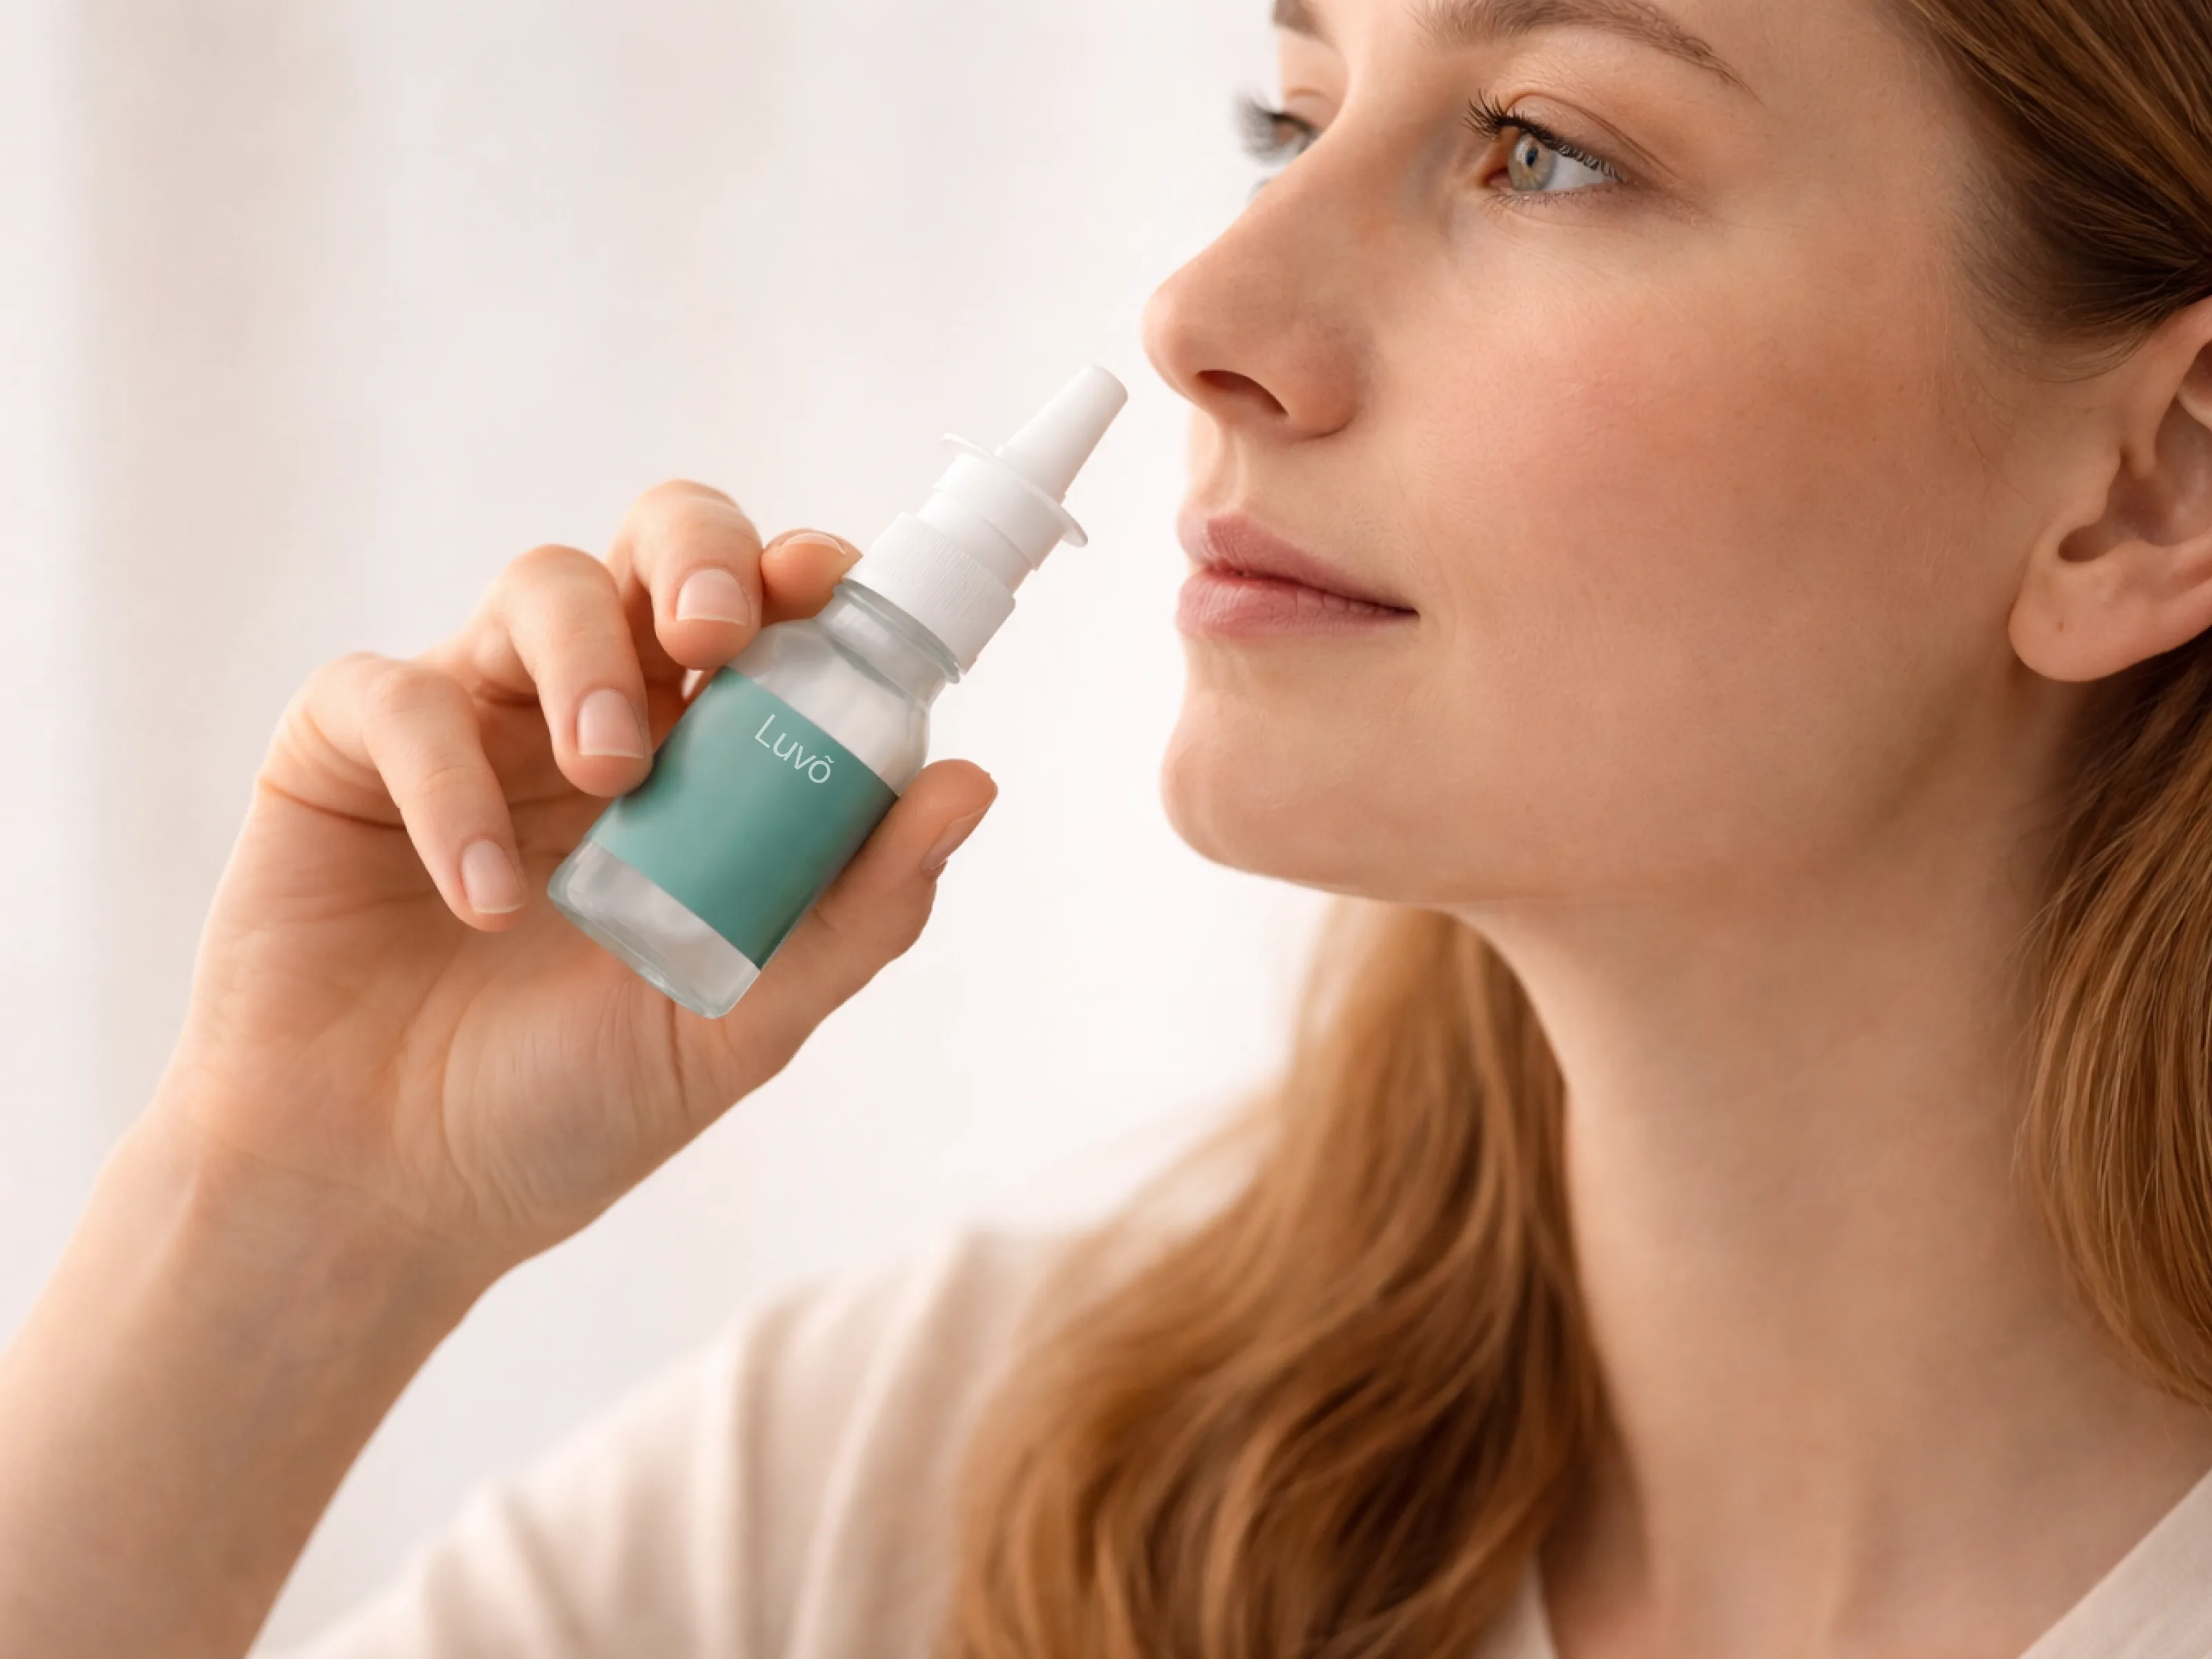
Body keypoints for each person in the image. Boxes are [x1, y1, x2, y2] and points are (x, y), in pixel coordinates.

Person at [8, 0, 2212, 1652]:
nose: (1202, 315)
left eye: (1539, 150)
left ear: (2150, 486)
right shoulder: (896, 1510)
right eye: (1293, 104)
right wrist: (287, 1217)